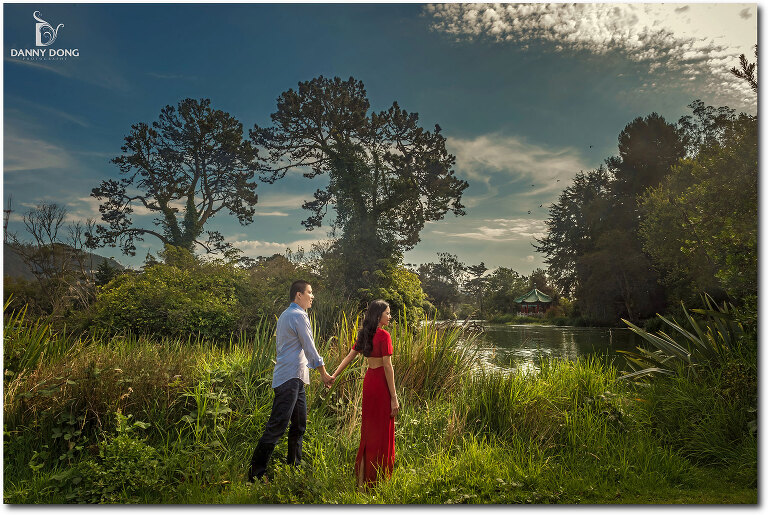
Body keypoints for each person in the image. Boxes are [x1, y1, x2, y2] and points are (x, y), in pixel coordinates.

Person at [247, 280, 333, 483]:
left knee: (299, 425)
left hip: (296, 378)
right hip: (290, 379)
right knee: (277, 426)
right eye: (310, 292)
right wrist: (323, 372)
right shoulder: (298, 316)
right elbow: (310, 348)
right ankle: (255, 476)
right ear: (298, 295)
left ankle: (294, 469)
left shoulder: (287, 315)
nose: (312, 296)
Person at [331, 299, 399, 488]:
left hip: (369, 383)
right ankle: (377, 479)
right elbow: (388, 367)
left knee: (368, 433)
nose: (390, 316)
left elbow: (349, 356)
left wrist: (334, 375)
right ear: (379, 316)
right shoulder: (384, 336)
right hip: (381, 386)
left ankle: (361, 482)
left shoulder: (365, 335)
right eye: (387, 313)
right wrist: (394, 397)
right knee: (382, 431)